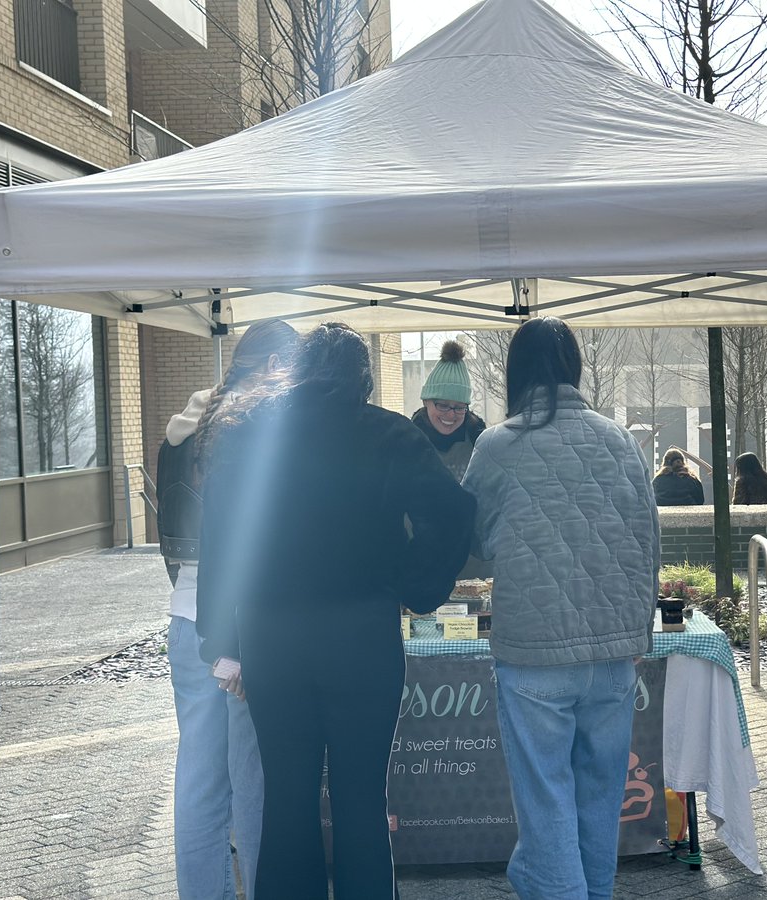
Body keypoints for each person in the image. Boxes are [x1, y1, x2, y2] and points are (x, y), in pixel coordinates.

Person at [195, 322, 475, 900]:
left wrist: (218, 640)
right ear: (363, 380)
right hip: (361, 635)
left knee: (288, 797)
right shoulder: (388, 434)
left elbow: (220, 545)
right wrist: (410, 583)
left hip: (272, 636)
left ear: (294, 373)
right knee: (360, 797)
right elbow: (450, 513)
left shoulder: (248, 437)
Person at [461, 316, 661, 900]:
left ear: (515, 372)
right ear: (573, 368)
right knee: (600, 795)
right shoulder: (621, 439)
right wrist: (639, 636)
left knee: (546, 797)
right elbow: (649, 541)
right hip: (614, 652)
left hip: (535, 652)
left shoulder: (497, 444)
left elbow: (472, 539)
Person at [156, 318, 298, 900]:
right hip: (246, 618)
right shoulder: (258, 426)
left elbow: (170, 526)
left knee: (199, 779)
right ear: (271, 366)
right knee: (253, 780)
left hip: (187, 612)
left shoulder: (185, 427)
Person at [411, 339, 486, 481]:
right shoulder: (408, 441)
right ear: (426, 401)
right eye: (443, 405)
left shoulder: (478, 440)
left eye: (459, 407)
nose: (451, 414)